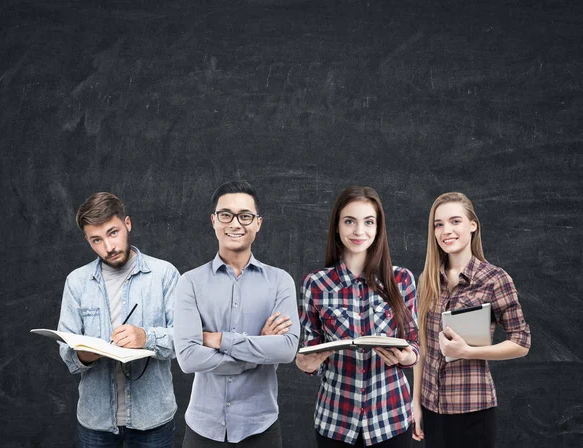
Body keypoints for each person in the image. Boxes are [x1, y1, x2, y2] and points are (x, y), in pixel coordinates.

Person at [174, 180, 299, 448]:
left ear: (258, 223)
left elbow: (287, 349)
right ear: (214, 221)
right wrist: (256, 355)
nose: (235, 224)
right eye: (225, 215)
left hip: (261, 428)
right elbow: (187, 358)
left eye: (245, 216)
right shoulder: (190, 282)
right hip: (203, 430)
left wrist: (218, 339)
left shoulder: (280, 281)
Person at [296, 186, 419, 448]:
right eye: (349, 221)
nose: (359, 231)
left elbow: (414, 342)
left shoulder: (401, 280)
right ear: (337, 226)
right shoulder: (315, 284)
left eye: (368, 222)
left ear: (378, 228)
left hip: (391, 419)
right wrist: (305, 364)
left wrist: (407, 357)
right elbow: (310, 348)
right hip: (335, 421)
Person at [57, 192, 179, 447]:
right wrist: (83, 355)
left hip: (153, 419)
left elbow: (185, 339)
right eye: (96, 240)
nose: (108, 247)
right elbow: (66, 351)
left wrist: (147, 338)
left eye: (113, 233)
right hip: (96, 421)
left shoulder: (164, 274)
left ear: (127, 224)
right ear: (87, 240)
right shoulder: (77, 282)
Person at [412, 192, 531, 447]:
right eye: (439, 224)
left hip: (473, 410)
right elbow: (422, 348)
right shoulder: (427, 281)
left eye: (455, 221)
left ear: (473, 226)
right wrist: (415, 405)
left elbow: (521, 342)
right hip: (433, 408)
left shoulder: (494, 279)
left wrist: (468, 351)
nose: (447, 230)